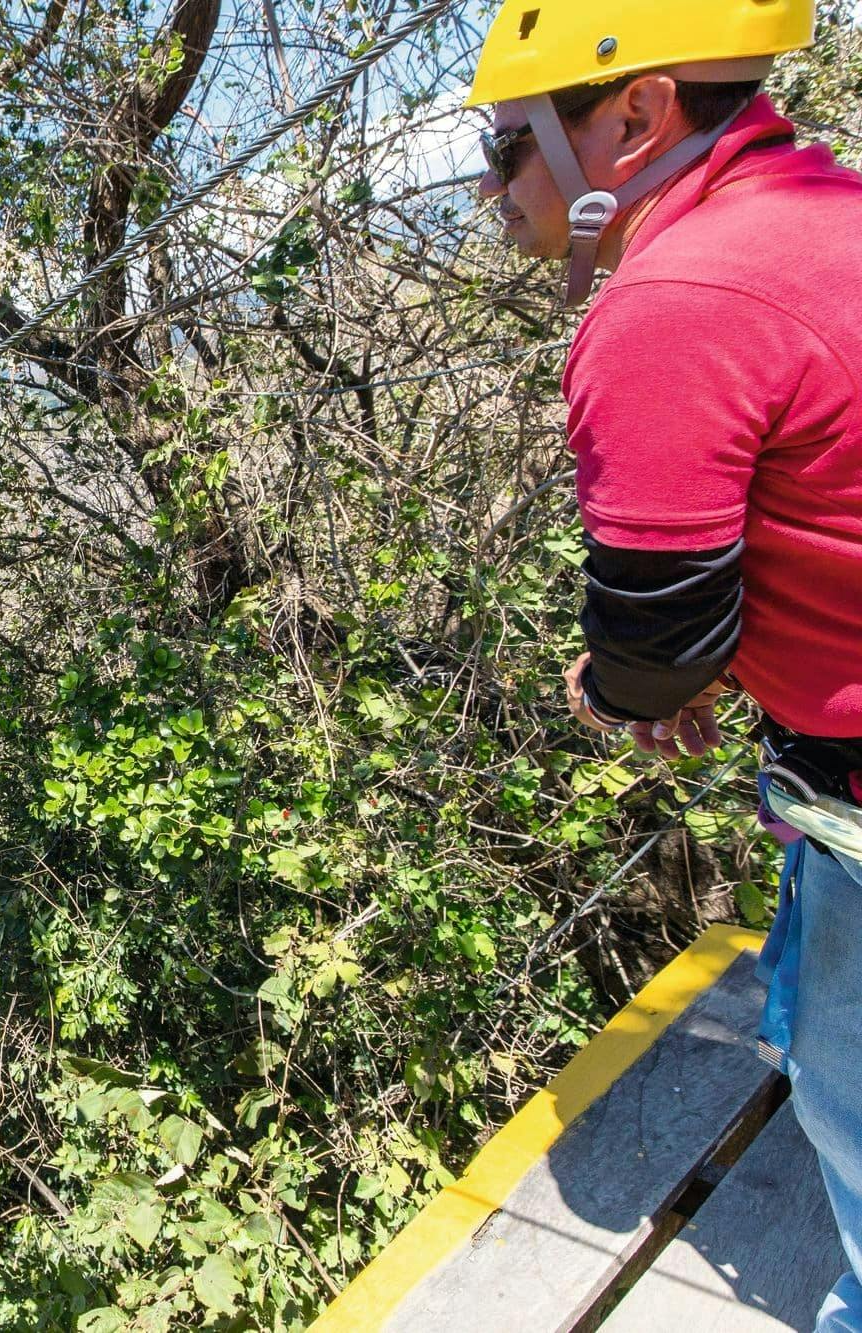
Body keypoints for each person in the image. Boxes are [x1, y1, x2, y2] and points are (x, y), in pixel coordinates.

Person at [467, 3, 862, 1327]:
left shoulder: (672, 303)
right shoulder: (824, 211)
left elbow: (653, 640)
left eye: (506, 145)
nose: (488, 185)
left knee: (849, 1103)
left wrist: (621, 686)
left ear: (633, 117)